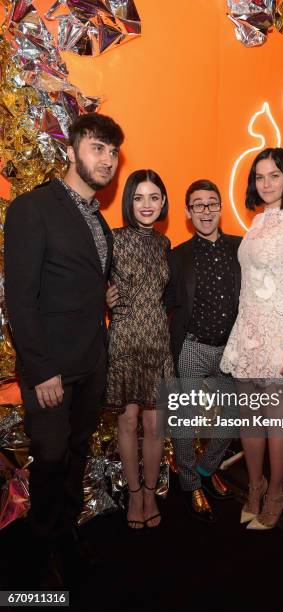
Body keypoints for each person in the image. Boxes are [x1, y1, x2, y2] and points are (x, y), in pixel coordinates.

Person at [4, 113, 124, 578]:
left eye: (113, 151)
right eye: (98, 147)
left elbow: (77, 280)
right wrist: (41, 368)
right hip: (50, 367)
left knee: (76, 451)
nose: (108, 159)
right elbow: (20, 296)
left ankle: (66, 531)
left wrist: (102, 294)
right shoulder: (34, 208)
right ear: (71, 151)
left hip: (92, 362)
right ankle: (41, 545)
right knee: (51, 458)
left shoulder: (98, 220)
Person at [221, 147, 283, 530]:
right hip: (247, 333)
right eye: (259, 176)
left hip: (279, 334)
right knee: (250, 419)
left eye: (274, 175)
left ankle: (278, 492)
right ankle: (256, 487)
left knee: (276, 422)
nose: (266, 183)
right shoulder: (257, 223)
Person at [164, 179, 241, 522]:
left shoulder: (242, 248)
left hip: (231, 351)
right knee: (185, 421)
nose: (206, 211)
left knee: (233, 418)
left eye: (212, 203)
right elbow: (160, 301)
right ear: (188, 212)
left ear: (221, 208)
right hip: (192, 348)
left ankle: (208, 469)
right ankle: (190, 482)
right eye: (198, 205)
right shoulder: (177, 255)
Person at [105, 169, 173, 529]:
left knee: (154, 423)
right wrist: (102, 296)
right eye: (138, 197)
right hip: (125, 341)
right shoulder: (112, 239)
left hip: (157, 342)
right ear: (129, 201)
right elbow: (85, 279)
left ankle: (150, 491)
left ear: (162, 202)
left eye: (153, 197)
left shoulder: (164, 243)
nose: (146, 205)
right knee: (129, 421)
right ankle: (133, 495)